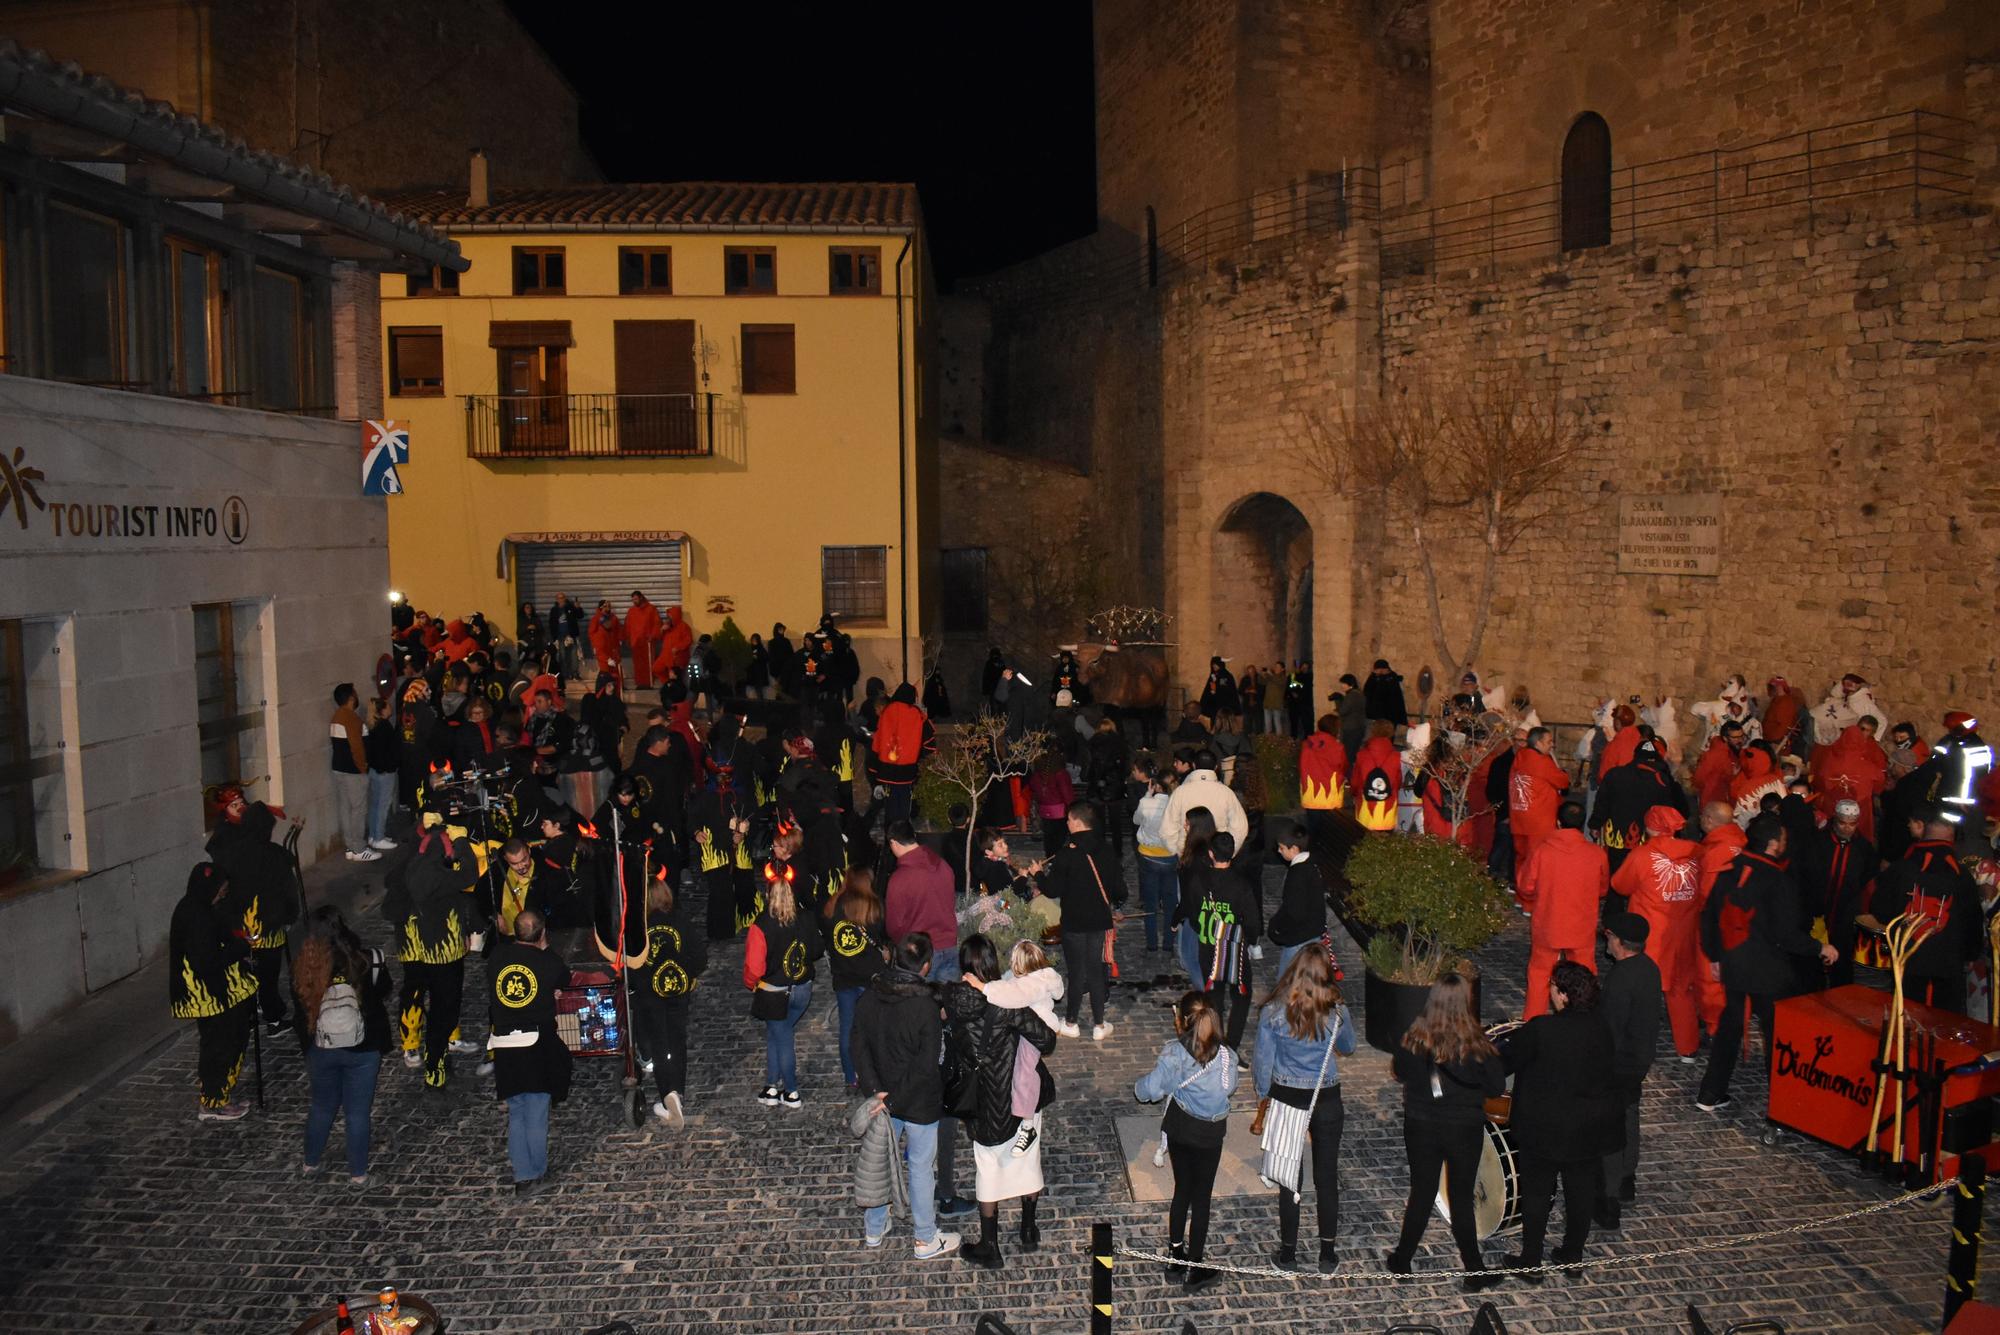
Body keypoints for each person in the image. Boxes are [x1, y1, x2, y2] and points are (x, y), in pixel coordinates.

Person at [1696, 815, 1839, 1112]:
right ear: (1774, 844)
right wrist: (1819, 947)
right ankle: (1784, 1102)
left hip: (1734, 963)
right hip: (1766, 970)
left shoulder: (1728, 872)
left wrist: (1715, 956)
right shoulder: (1777, 881)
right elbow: (1785, 934)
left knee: (1730, 1028)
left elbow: (1709, 917)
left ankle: (1710, 1093)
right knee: (1778, 1036)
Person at [1383, 973, 1505, 1290]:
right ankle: (1474, 1270)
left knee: (1422, 1193)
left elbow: (1400, 1073)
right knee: (1461, 1197)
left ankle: (1403, 1259)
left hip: (1421, 1125)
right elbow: (1496, 1086)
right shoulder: (1478, 1045)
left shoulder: (1414, 1040)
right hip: (1464, 1128)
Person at [1502, 961, 1619, 1279]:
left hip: (1544, 1128)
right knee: (1580, 1192)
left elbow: (1506, 1062)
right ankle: (1572, 1256)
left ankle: (1531, 1261)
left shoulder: (1542, 1029)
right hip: (1588, 1128)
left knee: (1537, 1194)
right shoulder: (1601, 1027)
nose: (1550, 990)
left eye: (1553, 985)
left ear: (1563, 994)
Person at [949, 934, 1058, 1268]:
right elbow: (1047, 1040)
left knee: (988, 1169)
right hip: (1018, 1098)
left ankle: (990, 1246)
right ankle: (1028, 1229)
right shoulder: (1009, 1005)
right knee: (1028, 1160)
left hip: (982, 1102)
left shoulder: (953, 1003)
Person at [853, 932, 962, 1259]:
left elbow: (857, 1044)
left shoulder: (870, 996)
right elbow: (926, 1064)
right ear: (926, 967)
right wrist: (893, 1099)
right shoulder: (924, 1006)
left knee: (880, 1160)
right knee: (919, 1167)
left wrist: (877, 1092)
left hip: (883, 1097)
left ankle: (875, 1228)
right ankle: (925, 1238)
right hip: (917, 1101)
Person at [1252, 946, 1357, 1275]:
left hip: (1287, 1098)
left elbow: (1262, 1061)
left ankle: (1288, 1254)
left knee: (1289, 1180)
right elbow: (1349, 1047)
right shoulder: (1337, 1010)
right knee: (1327, 1178)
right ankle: (1327, 1255)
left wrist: (1262, 1094)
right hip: (1326, 1097)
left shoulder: (1273, 1010)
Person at [1134, 991, 1236, 1288]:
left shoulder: (1174, 1053)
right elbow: (1228, 1090)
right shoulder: (1229, 1056)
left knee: (1182, 1191)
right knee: (1201, 1198)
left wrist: (1140, 1088)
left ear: (1183, 1019)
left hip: (1181, 1128)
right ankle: (1196, 1265)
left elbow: (1149, 1091)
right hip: (1210, 1134)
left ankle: (1174, 1257)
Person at [382, 821, 483, 1088]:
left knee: (415, 994)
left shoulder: (407, 869)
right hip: (443, 953)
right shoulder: (441, 876)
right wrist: (461, 843)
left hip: (413, 949)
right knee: (444, 1006)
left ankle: (415, 1046)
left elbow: (388, 906)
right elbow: (470, 875)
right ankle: (435, 1064)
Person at [294, 905, 390, 1183]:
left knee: (322, 1107)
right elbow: (384, 990)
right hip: (363, 1047)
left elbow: (300, 1011)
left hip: (321, 1048)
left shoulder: (304, 967)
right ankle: (358, 1173)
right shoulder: (365, 960)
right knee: (357, 1112)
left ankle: (310, 1162)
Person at [1864, 808, 1983, 1013]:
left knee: (1908, 1022)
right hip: (1949, 965)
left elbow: (1879, 908)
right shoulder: (1962, 875)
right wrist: (1970, 954)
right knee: (1943, 1025)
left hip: (1907, 963)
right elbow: (1973, 920)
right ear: (1951, 836)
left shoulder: (1901, 869)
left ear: (1924, 831)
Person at [489, 909, 572, 1196]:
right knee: (537, 1110)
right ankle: (536, 1172)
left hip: (503, 1044)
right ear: (542, 932)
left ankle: (522, 1173)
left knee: (517, 1111)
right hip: (535, 1044)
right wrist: (545, 947)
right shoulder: (546, 962)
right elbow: (564, 977)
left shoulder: (498, 958)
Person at [1611, 804, 1704, 1058]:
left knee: (1642, 991)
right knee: (1681, 989)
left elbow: (1620, 884)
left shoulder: (1642, 855)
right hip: (1684, 932)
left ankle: (1638, 1046)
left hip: (1650, 934)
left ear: (1651, 827)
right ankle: (1687, 1047)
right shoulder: (1697, 852)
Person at [206, 788, 302, 1035]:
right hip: (269, 929)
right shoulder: (275, 857)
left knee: (244, 972)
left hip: (241, 927)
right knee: (267, 976)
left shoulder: (232, 854)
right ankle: (272, 1017)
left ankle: (248, 1015)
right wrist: (290, 917)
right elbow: (288, 892)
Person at [169, 862, 258, 1121]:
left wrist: (238, 939)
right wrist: (241, 948)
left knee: (229, 1038)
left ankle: (220, 1093)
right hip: (208, 994)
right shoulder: (196, 915)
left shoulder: (202, 909)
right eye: (221, 889)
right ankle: (213, 1102)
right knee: (219, 1044)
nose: (223, 894)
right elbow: (206, 961)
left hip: (216, 990)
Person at [1596, 913, 1662, 1229]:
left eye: (1609, 936)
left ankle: (1608, 1200)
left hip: (1618, 1063)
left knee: (1610, 1125)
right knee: (1629, 1113)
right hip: (1640, 1059)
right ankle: (1626, 1178)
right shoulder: (1649, 969)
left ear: (1619, 942)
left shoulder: (1621, 977)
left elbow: (1611, 1028)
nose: (1606, 941)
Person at [1036, 801, 1121, 1039]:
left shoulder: (1066, 854)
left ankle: (1071, 1023)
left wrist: (1038, 874)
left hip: (1073, 922)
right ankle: (1099, 1025)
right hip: (1099, 921)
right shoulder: (1107, 850)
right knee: (1096, 970)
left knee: (1076, 972)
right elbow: (1118, 889)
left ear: (1077, 822)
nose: (1066, 823)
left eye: (1069, 819)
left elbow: (1052, 890)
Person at [1517, 801, 1608, 1017]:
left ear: (1557, 822)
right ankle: (1585, 1018)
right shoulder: (1596, 853)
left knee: (1540, 973)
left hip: (1548, 922)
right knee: (1584, 974)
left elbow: (1525, 886)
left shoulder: (1543, 851)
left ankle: (1534, 1020)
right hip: (1581, 923)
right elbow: (1603, 889)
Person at [978, 939, 1067, 1159]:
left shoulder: (1031, 985)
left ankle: (1028, 1127)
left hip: (1035, 1032)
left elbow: (1012, 995)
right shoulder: (1043, 976)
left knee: (1023, 1073)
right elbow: (1009, 982)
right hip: (1032, 1028)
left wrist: (983, 987)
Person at [744, 870, 822, 1108]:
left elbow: (753, 967)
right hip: (802, 987)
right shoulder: (806, 918)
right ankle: (770, 1085)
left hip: (774, 992)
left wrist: (750, 984)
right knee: (776, 1034)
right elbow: (817, 950)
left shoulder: (762, 925)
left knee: (783, 1036)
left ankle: (791, 1091)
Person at [631, 874, 704, 1127]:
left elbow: (634, 963)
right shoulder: (680, 920)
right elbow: (699, 954)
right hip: (677, 989)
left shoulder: (640, 926)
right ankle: (678, 1091)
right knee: (677, 1037)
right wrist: (687, 973)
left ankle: (667, 1093)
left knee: (661, 1043)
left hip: (649, 993)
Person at [1795, 798, 1877, 990]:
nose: (1847, 828)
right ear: (1835, 819)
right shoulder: (1816, 841)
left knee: (1842, 958)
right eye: (1842, 823)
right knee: (1812, 958)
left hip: (1844, 911)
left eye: (1852, 823)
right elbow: (1804, 873)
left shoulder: (1863, 848)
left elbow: (1866, 875)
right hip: (1815, 910)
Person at [1192, 831, 1262, 1057]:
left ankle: (1216, 1043)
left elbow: (1192, 911)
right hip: (1233, 946)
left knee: (1214, 996)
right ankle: (1231, 1046)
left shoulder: (1199, 879)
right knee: (1241, 996)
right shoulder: (1241, 883)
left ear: (1211, 853)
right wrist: (1251, 940)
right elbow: (1252, 920)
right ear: (1233, 853)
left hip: (1208, 945)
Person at [825, 868, 890, 1093]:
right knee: (873, 1027)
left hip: (844, 977)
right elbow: (883, 934)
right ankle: (874, 1074)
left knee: (847, 1029)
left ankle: (850, 1077)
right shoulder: (874, 905)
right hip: (870, 977)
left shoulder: (832, 906)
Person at [885, 821, 960, 981]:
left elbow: (894, 925)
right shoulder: (943, 865)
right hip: (949, 944)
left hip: (919, 954)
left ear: (893, 843)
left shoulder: (899, 879)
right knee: (949, 1002)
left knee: (921, 1004)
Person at [1267, 821, 1329, 978]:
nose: (1279, 852)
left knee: (1285, 980)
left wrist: (1277, 927)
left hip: (1299, 937)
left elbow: (1294, 910)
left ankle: (1282, 1003)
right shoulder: (1311, 864)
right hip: (1314, 931)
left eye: (1282, 848)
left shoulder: (1297, 874)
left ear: (1294, 849)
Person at [1509, 726, 1570, 879]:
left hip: (1518, 817)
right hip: (1538, 821)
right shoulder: (1541, 761)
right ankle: (1532, 899)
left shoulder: (1519, 757)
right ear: (1538, 743)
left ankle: (1520, 897)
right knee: (1537, 862)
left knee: (1521, 860)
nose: (1552, 745)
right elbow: (1563, 781)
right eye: (1549, 742)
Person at [870, 682, 933, 829]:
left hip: (887, 769)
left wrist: (874, 768)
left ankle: (890, 836)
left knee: (890, 803)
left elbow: (877, 741)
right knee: (904, 802)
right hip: (907, 769)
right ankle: (902, 832)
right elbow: (929, 739)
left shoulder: (887, 712)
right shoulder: (917, 714)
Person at [1162, 747, 1247, 856]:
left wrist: (1178, 851)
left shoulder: (1180, 791)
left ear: (1193, 765)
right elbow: (1240, 827)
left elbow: (1167, 827)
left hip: (1188, 849)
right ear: (1216, 767)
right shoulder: (1226, 792)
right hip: (1217, 851)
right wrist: (1227, 852)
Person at [1132, 760, 1177, 953]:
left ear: (1156, 785)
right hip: (1169, 856)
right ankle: (1168, 943)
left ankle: (1151, 943)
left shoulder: (1146, 803)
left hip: (1148, 856)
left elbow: (1136, 820)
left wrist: (1146, 796)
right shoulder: (1177, 805)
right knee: (1169, 902)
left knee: (1150, 903)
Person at [329, 684, 377, 863]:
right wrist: (363, 767)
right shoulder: (352, 719)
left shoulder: (336, 717)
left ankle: (350, 846)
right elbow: (358, 747)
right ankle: (359, 848)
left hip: (339, 769)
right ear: (351, 698)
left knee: (345, 808)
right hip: (354, 772)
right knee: (358, 809)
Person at [1298, 714, 1350, 851]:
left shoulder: (1307, 745)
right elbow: (1343, 767)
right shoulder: (1337, 747)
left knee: (1313, 831)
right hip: (1330, 796)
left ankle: (1313, 856)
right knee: (1330, 833)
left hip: (1311, 794)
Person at [363, 696, 401, 852]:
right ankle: (378, 837)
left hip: (374, 770)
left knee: (374, 804)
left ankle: (373, 836)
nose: (391, 708)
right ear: (383, 710)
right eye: (388, 706)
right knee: (383, 805)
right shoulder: (384, 726)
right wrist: (389, 766)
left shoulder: (372, 725)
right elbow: (387, 751)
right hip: (384, 772)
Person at [1350, 719, 1402, 833]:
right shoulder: (1396, 756)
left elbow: (1355, 781)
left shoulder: (1362, 754)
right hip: (1387, 808)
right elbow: (1398, 783)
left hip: (1365, 807)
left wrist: (1353, 794)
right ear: (1391, 733)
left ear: (1373, 732)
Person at [1363, 658, 1409, 726]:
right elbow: (1367, 691)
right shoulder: (1374, 677)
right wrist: (1374, 676)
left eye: (1379, 670)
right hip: (1377, 714)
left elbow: (1395, 696)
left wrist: (1381, 678)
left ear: (1384, 669)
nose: (1377, 671)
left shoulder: (1392, 678)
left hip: (1391, 714)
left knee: (1389, 733)